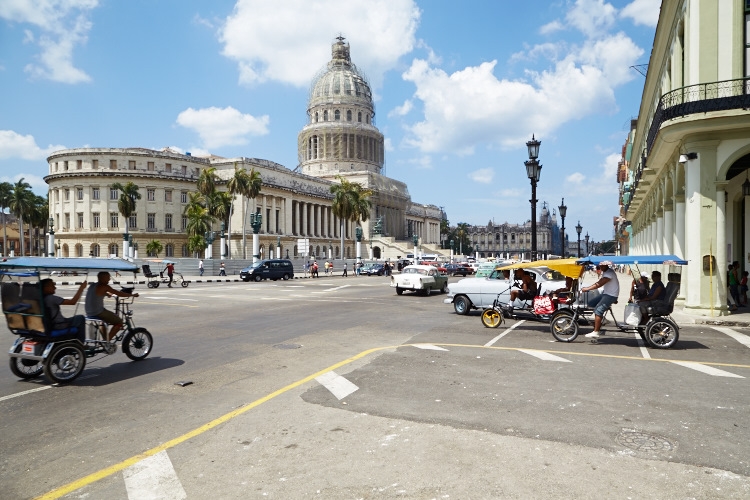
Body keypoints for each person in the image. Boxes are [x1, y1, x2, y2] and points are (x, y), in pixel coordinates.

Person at [85, 272, 139, 345]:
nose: (109, 279)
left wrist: (107, 294)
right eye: (108, 277)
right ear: (103, 278)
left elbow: (98, 293)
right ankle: (107, 341)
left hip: (89, 312)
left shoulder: (93, 285)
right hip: (98, 312)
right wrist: (132, 295)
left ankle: (105, 340)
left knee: (103, 322)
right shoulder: (105, 286)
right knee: (119, 322)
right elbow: (119, 293)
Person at [582, 263, 620, 338]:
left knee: (598, 310)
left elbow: (599, 284)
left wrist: (587, 288)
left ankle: (596, 332)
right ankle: (602, 320)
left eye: (602, 266)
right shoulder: (606, 272)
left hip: (610, 295)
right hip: (606, 294)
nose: (600, 267)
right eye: (599, 266)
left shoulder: (609, 273)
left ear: (606, 265)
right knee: (591, 303)